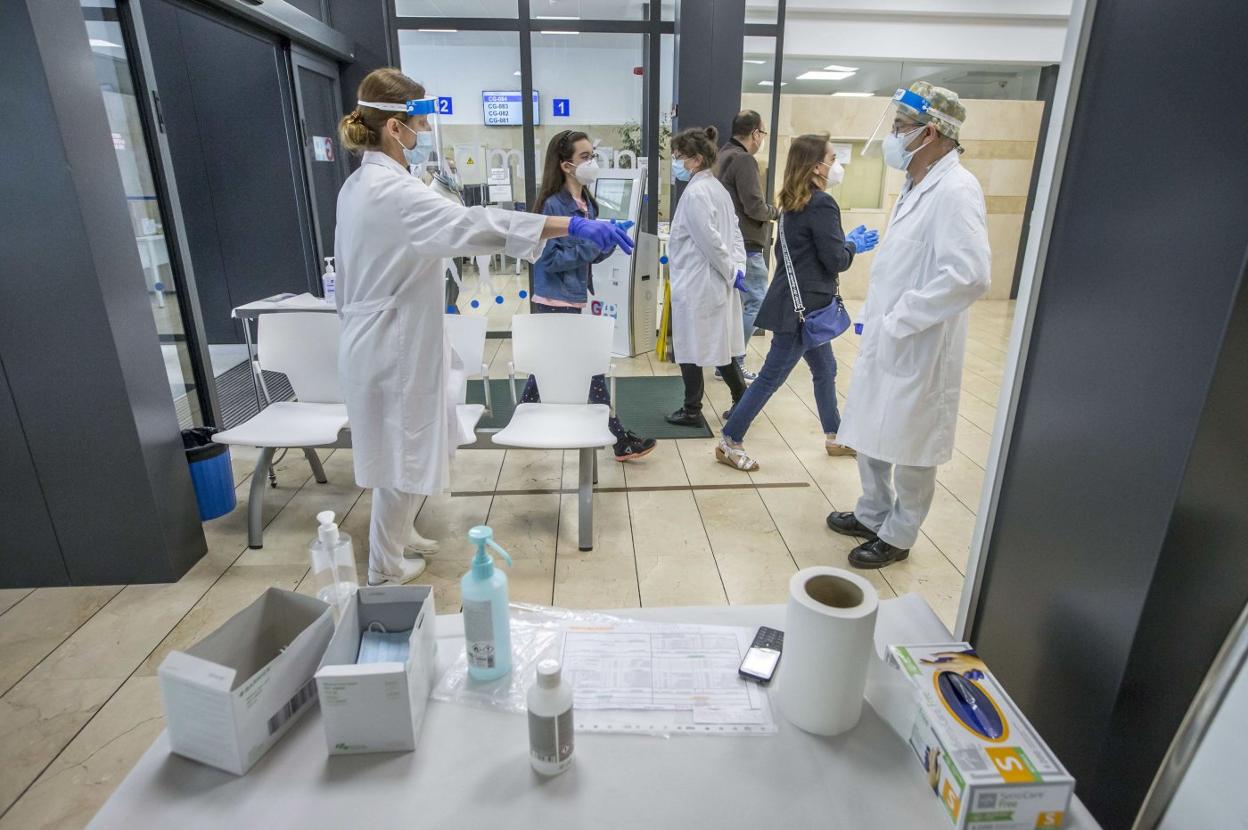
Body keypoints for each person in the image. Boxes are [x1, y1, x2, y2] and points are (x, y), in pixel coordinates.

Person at [334, 68, 633, 586]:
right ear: (393, 128)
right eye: (419, 119)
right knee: (399, 454)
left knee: (414, 442)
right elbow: (476, 225)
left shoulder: (373, 183)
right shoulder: (389, 192)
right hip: (390, 341)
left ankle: (401, 536)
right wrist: (569, 224)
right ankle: (385, 566)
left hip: (398, 333)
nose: (425, 129)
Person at [827, 82, 991, 569]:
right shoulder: (916, 182)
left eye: (901, 128)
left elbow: (970, 275)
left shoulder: (958, 190)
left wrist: (903, 317)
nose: (893, 138)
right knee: (872, 429)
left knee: (914, 446)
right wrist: (877, 315)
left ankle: (899, 534)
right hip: (888, 335)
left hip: (921, 342)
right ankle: (873, 512)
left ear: (933, 131)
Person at [716, 134, 878, 471]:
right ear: (816, 166)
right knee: (770, 378)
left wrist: (843, 243)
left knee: (825, 368)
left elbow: (802, 255)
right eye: (833, 160)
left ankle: (835, 435)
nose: (837, 166)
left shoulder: (792, 203)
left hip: (801, 306)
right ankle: (730, 441)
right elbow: (835, 260)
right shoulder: (821, 203)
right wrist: (851, 247)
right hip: (802, 312)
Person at [518, 130, 657, 462]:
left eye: (592, 155)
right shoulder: (553, 205)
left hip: (574, 297)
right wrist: (592, 242)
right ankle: (620, 439)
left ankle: (522, 423)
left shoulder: (587, 203)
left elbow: (589, 257)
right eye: (585, 157)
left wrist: (607, 242)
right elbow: (549, 260)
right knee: (588, 369)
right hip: (553, 301)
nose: (592, 163)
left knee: (545, 370)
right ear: (566, 165)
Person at [663, 126, 750, 429]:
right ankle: (742, 399)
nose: (676, 161)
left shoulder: (698, 192)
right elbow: (735, 235)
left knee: (691, 346)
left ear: (696, 159)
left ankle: (691, 410)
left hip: (699, 283)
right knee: (716, 344)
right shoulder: (716, 189)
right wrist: (737, 268)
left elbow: (711, 240)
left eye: (679, 156)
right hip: (713, 282)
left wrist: (731, 269)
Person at [714, 110, 778, 383]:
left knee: (736, 306)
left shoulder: (721, 156)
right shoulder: (744, 160)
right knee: (756, 302)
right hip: (747, 245)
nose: (762, 138)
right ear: (755, 133)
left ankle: (724, 363)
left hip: (727, 243)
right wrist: (776, 212)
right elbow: (754, 206)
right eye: (762, 133)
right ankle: (734, 362)